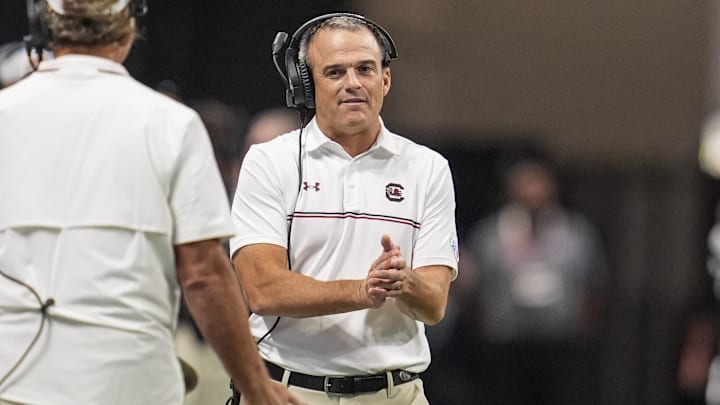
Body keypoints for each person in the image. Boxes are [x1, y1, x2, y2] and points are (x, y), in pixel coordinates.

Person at [0, 1, 302, 404]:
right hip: (131, 382)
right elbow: (203, 275)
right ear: (130, 31)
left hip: (15, 377)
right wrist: (255, 386)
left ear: (43, 28)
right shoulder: (171, 124)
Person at [230, 12, 459, 405]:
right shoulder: (270, 161)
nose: (353, 83)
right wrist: (361, 290)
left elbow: (434, 303)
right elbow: (263, 290)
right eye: (334, 72)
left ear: (385, 79)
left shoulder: (428, 168)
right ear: (305, 85)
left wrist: (403, 283)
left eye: (365, 69)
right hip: (288, 392)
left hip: (395, 395)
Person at [463, 153, 607, 405]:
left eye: (538, 183)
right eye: (526, 183)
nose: (533, 191)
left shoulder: (575, 233)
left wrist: (582, 328)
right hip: (505, 348)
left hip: (560, 346)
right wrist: (485, 327)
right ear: (511, 189)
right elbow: (472, 288)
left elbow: (594, 284)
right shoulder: (490, 235)